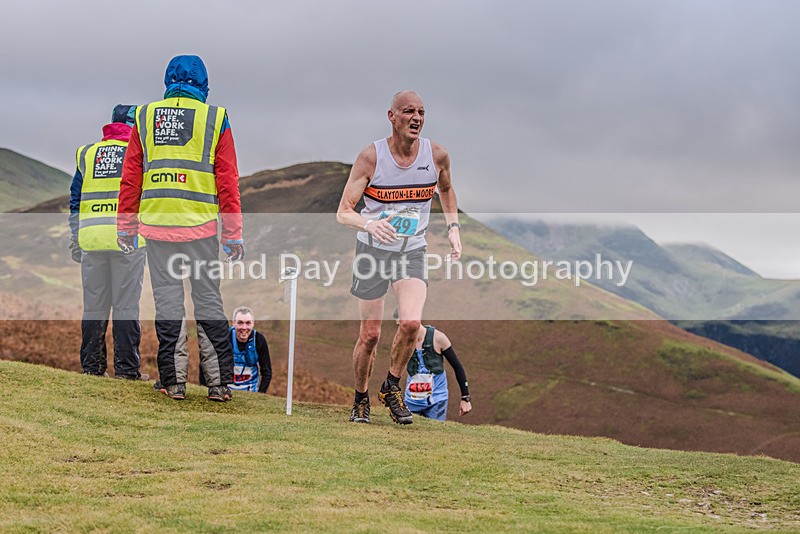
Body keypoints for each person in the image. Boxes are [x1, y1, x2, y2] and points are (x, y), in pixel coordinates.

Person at [117, 55, 243, 402]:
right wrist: (233, 233)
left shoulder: (143, 117)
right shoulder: (215, 118)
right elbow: (227, 181)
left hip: (157, 228)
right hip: (201, 228)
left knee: (168, 305)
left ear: (167, 82)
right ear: (203, 85)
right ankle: (218, 385)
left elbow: (131, 179)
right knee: (208, 302)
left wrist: (126, 228)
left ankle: (174, 383)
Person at [336, 91, 462, 424]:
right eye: (409, 112)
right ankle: (361, 398)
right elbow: (343, 212)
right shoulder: (371, 158)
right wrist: (370, 224)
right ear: (392, 117)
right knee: (371, 334)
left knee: (410, 323)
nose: (417, 118)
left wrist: (453, 228)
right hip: (372, 251)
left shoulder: (436, 156)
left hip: (412, 251)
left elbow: (446, 189)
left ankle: (391, 386)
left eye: (422, 112)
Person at [69, 104, 148, 381]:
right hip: (127, 240)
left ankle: (92, 368)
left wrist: (75, 238)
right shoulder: (138, 153)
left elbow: (76, 201)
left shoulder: (87, 154)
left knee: (94, 306)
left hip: (91, 240)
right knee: (126, 306)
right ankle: (127, 371)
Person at [399, 311, 472, 421]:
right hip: (412, 401)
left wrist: (465, 398)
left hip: (436, 401)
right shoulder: (402, 341)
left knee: (435, 434)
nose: (402, 329)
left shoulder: (438, 338)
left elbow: (457, 366)